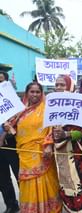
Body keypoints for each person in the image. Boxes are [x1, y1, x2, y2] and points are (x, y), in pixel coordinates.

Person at [5, 82, 62, 212]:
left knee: (46, 183)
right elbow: (17, 134)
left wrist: (48, 145)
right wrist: (9, 129)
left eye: (38, 92)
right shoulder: (20, 112)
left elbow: (53, 129)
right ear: (27, 93)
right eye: (32, 92)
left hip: (43, 153)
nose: (35, 94)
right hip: (25, 155)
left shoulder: (47, 109)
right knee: (28, 184)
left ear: (42, 94)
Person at [51, 75, 82, 213]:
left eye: (63, 85)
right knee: (66, 183)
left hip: (78, 152)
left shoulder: (78, 103)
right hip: (60, 153)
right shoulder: (52, 105)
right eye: (57, 85)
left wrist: (67, 135)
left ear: (70, 87)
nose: (59, 88)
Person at [0, 71, 20, 213]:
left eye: (1, 81)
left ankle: (27, 203)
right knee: (2, 178)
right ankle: (11, 205)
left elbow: (19, 123)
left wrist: (5, 135)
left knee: (20, 175)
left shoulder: (14, 102)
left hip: (11, 144)